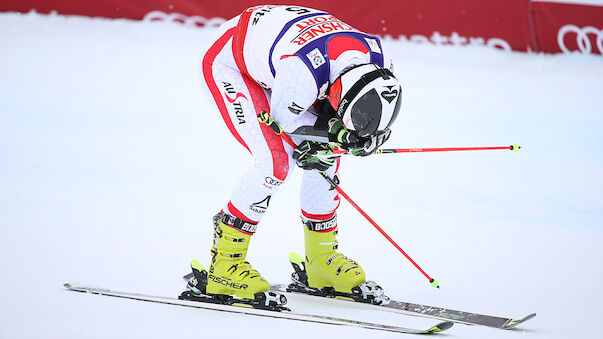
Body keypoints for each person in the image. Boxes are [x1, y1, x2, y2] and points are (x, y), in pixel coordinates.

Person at [195, 5, 402, 303]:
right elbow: (285, 124)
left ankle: (320, 260)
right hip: (231, 64)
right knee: (275, 163)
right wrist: (340, 137)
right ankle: (225, 264)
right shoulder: (300, 75)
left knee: (326, 155)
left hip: (288, 56)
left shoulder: (380, 62)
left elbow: (338, 124)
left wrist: (357, 137)